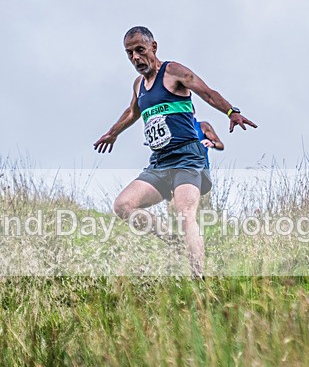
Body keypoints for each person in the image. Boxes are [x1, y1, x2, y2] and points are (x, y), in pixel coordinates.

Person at [93, 26, 256, 277]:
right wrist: (113, 132)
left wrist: (231, 112)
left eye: (140, 50)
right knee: (123, 205)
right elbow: (132, 112)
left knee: (184, 213)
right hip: (159, 162)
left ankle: (199, 278)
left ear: (153, 48)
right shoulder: (139, 85)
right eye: (129, 54)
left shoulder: (173, 72)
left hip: (187, 157)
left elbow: (208, 93)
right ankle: (174, 241)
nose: (135, 58)